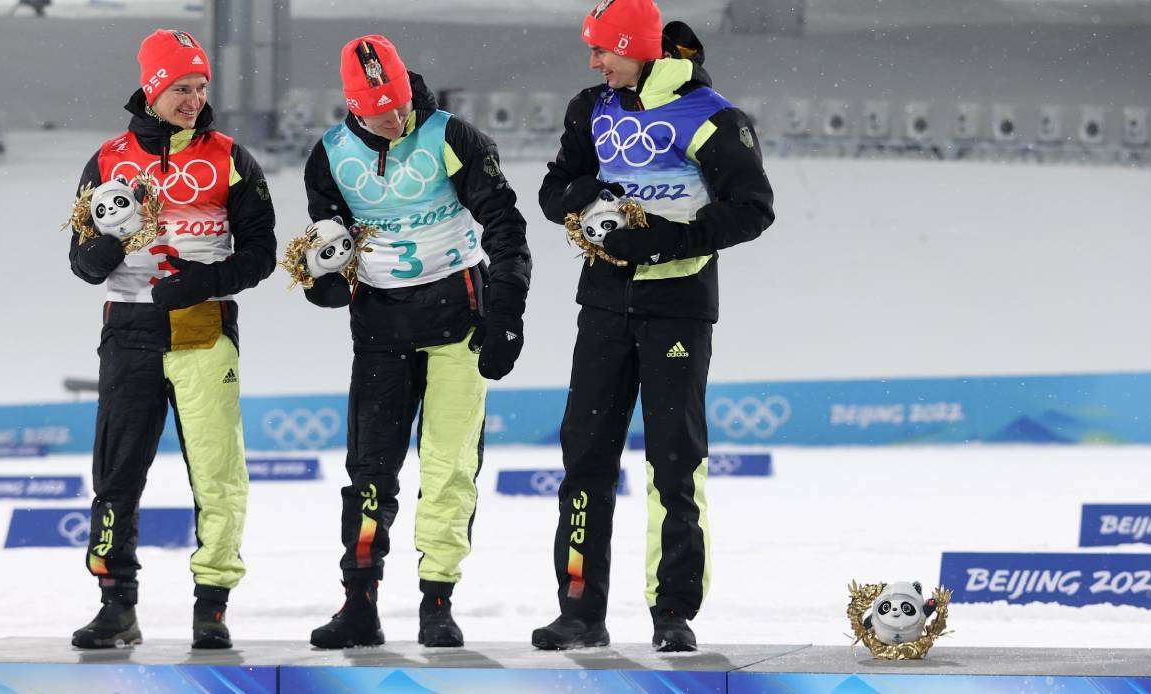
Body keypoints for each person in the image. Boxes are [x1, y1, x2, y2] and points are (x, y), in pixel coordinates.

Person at [531, 0, 774, 652]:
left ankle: (673, 614)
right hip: (604, 307)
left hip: (678, 309)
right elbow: (554, 190)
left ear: (637, 46)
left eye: (603, 49)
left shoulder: (710, 115)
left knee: (674, 463)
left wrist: (662, 240)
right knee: (584, 460)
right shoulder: (591, 107)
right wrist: (590, 204)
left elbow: (753, 210)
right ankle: (580, 610)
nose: (594, 62)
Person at [301, 35, 531, 648]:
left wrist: (508, 316)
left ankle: (438, 600)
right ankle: (359, 602)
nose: (394, 118)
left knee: (451, 467)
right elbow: (329, 253)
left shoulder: (452, 137)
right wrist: (322, 287)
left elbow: (506, 227)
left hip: (459, 318)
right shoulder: (327, 157)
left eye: (400, 104)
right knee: (370, 471)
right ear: (352, 106)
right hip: (380, 329)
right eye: (378, 110)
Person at [67, 28, 276, 649]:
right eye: (180, 87)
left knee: (216, 473)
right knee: (117, 470)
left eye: (200, 87)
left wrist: (199, 283)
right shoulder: (107, 160)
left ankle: (211, 606)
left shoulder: (233, 158)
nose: (193, 98)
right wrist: (108, 241)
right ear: (152, 90)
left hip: (203, 325)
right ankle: (116, 604)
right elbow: (81, 263)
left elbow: (262, 255)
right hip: (127, 327)